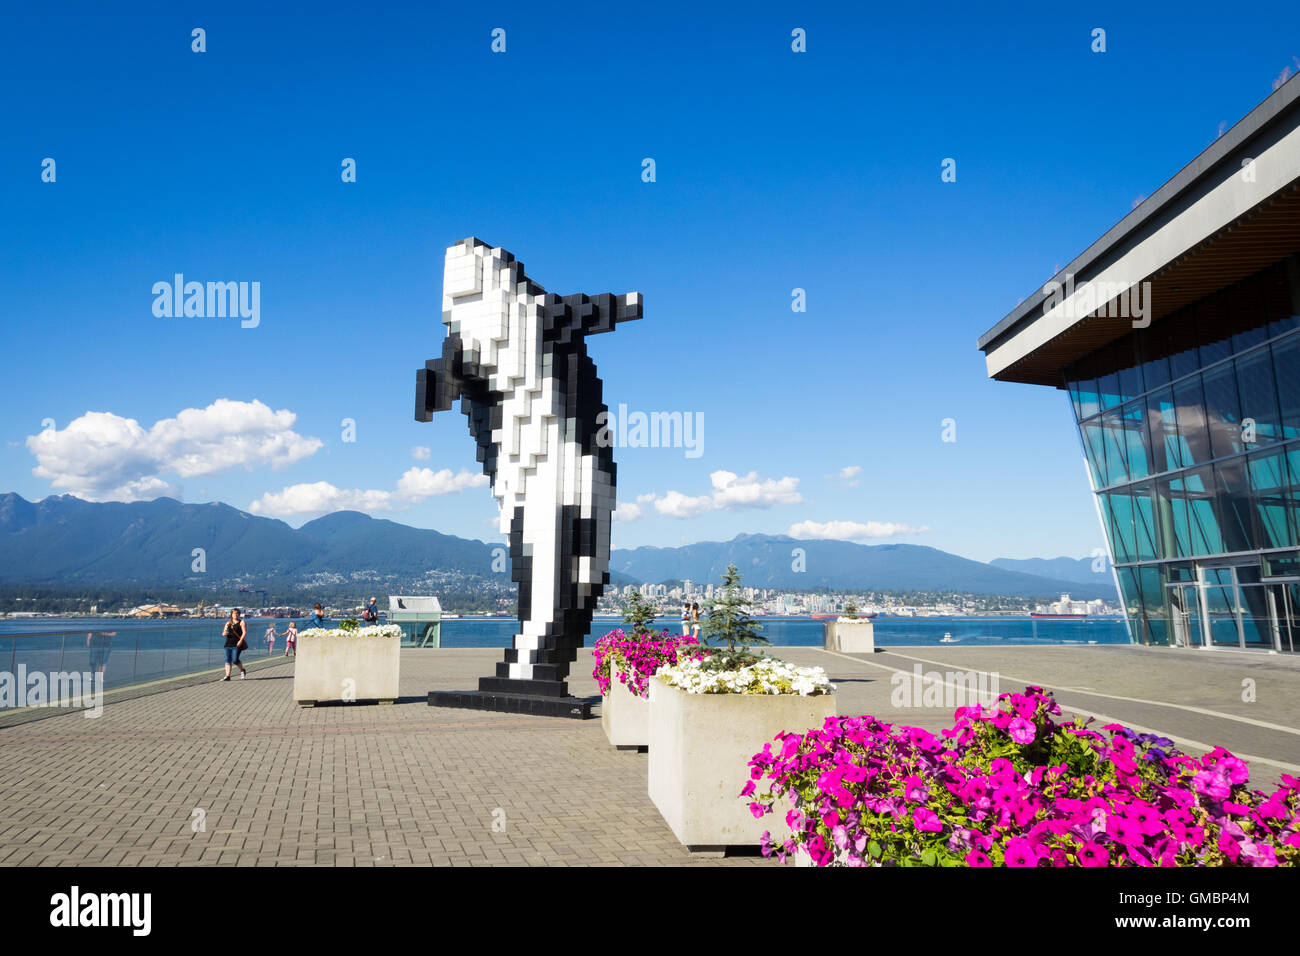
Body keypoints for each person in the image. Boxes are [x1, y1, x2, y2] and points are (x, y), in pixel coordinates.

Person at [221, 608, 248, 681]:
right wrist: (225, 633)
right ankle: (227, 676)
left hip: (237, 644)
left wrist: (240, 640)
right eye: (233, 613)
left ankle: (242, 670)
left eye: (236, 613)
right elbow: (223, 632)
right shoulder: (228, 623)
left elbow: (244, 633)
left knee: (235, 660)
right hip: (228, 644)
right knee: (227, 660)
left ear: (239, 614)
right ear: (231, 614)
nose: (235, 615)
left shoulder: (241, 622)